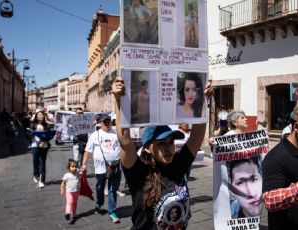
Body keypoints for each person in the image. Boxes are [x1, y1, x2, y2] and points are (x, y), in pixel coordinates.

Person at [111, 76, 213, 229]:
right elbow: (125, 142)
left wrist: (203, 100)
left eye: (171, 142)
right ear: (148, 147)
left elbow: (197, 136)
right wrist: (119, 100)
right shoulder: (138, 172)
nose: (168, 147)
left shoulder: (178, 165)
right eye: (161, 143)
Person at [81, 114, 121, 223]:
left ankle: (112, 212)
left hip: (115, 165)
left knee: (112, 190)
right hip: (101, 167)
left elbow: (124, 147)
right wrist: (84, 164)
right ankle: (99, 203)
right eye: (105, 122)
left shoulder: (117, 133)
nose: (107, 124)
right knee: (100, 187)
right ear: (101, 123)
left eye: (109, 121)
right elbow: (87, 151)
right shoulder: (95, 135)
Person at [29, 109, 52, 189]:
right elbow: (28, 135)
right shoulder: (32, 125)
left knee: (42, 163)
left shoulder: (46, 125)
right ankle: (36, 174)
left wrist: (47, 137)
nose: (41, 116)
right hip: (35, 145)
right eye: (39, 115)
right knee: (35, 161)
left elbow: (49, 135)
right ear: (36, 116)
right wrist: (30, 133)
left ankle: (42, 181)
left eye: (42, 115)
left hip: (44, 145)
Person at [61, 159, 80, 224]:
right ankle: (68, 213)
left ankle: (74, 213)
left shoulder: (77, 174)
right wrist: (62, 190)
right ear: (69, 167)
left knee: (74, 203)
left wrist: (84, 169)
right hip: (69, 192)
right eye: (72, 166)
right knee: (69, 202)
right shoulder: (67, 175)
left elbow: (83, 174)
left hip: (76, 191)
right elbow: (62, 183)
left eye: (75, 167)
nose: (74, 168)